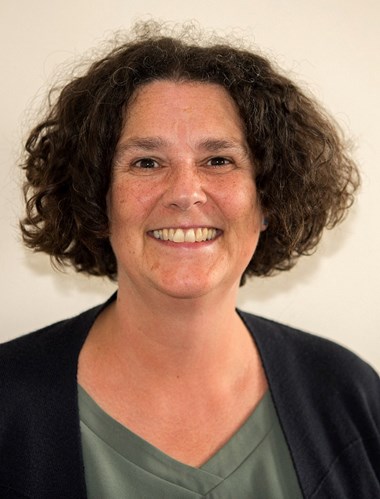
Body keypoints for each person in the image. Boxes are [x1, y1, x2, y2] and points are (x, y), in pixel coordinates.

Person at [0, 21, 379, 499]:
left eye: (218, 160)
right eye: (147, 162)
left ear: (268, 199)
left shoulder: (348, 393)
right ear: (96, 199)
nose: (184, 193)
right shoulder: (8, 403)